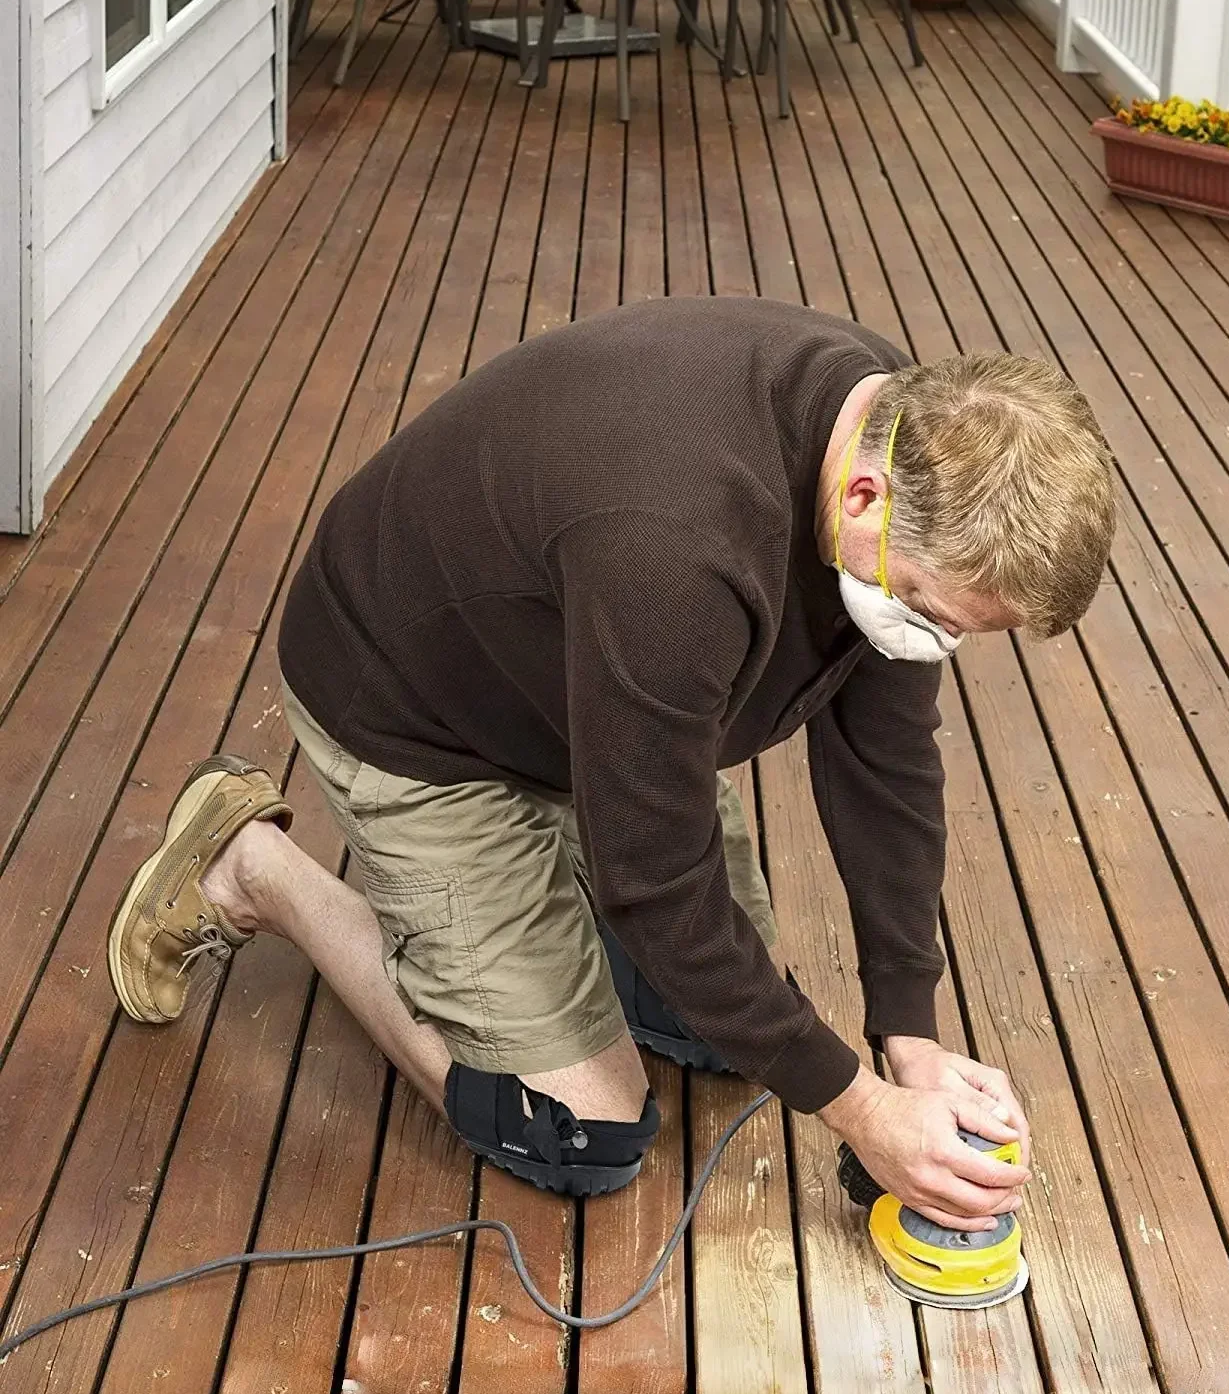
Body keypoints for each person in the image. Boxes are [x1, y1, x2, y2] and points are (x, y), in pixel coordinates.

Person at [106, 297, 1114, 1233]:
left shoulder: (911, 435)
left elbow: (887, 760)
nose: (936, 643)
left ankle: (536, 907)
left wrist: (910, 1034)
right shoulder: (674, 549)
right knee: (583, 1130)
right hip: (421, 714)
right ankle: (255, 866)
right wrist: (864, 1114)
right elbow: (658, 884)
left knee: (733, 1036)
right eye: (934, 616)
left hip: (586, 697)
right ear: (863, 493)